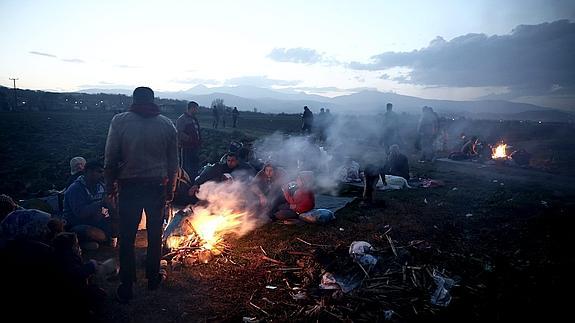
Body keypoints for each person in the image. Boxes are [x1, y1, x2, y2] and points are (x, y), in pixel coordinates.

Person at [104, 86, 178, 303]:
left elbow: (109, 158)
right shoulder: (166, 124)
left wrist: (110, 186)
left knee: (127, 236)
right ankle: (153, 278)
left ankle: (127, 284)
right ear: (153, 100)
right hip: (156, 186)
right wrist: (170, 190)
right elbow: (174, 163)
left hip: (129, 186)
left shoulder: (120, 121)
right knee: (155, 234)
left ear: (134, 99)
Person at [62, 161, 117, 250]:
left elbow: (108, 208)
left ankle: (93, 243)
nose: (102, 175)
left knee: (120, 224)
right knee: (95, 234)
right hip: (77, 224)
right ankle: (80, 244)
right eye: (99, 172)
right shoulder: (75, 189)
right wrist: (101, 203)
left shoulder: (101, 186)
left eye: (102, 172)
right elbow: (80, 213)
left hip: (96, 222)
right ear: (88, 172)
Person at [190, 152, 256, 195]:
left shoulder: (241, 170)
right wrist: (196, 184)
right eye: (228, 160)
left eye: (232, 161)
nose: (230, 163)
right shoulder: (219, 167)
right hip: (216, 190)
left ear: (237, 161)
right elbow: (206, 175)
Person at [176, 101, 202, 179]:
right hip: (186, 147)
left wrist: (199, 140)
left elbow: (197, 131)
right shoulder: (182, 119)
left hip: (195, 147)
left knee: (194, 165)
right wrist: (190, 139)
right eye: (196, 109)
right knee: (186, 167)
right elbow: (179, 132)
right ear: (191, 108)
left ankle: (193, 181)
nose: (197, 111)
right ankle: (184, 182)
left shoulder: (194, 119)